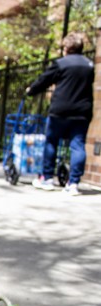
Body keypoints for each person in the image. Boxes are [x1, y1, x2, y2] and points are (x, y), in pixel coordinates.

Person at [27, 32, 95, 196]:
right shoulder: (89, 65)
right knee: (77, 145)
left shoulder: (61, 64)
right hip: (82, 111)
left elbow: (44, 80)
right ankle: (73, 184)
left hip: (60, 110)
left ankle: (48, 178)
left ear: (66, 48)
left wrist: (31, 90)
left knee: (51, 142)